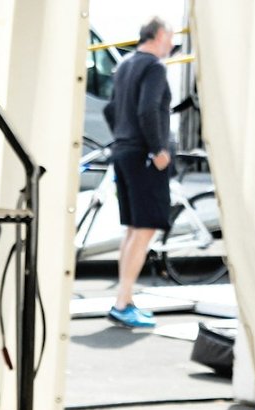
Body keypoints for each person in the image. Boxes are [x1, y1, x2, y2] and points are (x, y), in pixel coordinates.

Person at [105, 17, 175, 330]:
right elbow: (148, 109)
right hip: (144, 155)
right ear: (158, 35)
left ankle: (125, 300)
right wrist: (158, 149)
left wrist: (123, 136)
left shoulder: (125, 65)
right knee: (145, 228)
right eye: (170, 37)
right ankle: (122, 303)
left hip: (123, 151)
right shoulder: (154, 67)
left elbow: (111, 109)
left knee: (134, 228)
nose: (171, 44)